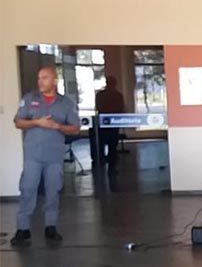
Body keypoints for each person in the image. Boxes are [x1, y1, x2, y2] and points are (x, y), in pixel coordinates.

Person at [11, 66, 80, 246]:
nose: (40, 81)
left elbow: (75, 127)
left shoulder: (66, 103)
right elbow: (18, 122)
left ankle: (51, 227)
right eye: (39, 78)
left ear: (54, 81)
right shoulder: (30, 99)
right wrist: (37, 122)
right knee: (28, 190)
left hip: (54, 155)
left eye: (45, 78)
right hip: (33, 154)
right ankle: (23, 229)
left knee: (53, 191)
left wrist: (58, 127)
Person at [92, 76, 125, 171]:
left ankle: (100, 162)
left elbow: (98, 108)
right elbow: (121, 109)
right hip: (114, 122)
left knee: (100, 143)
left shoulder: (100, 95)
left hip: (103, 122)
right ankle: (112, 166)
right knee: (112, 145)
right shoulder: (118, 95)